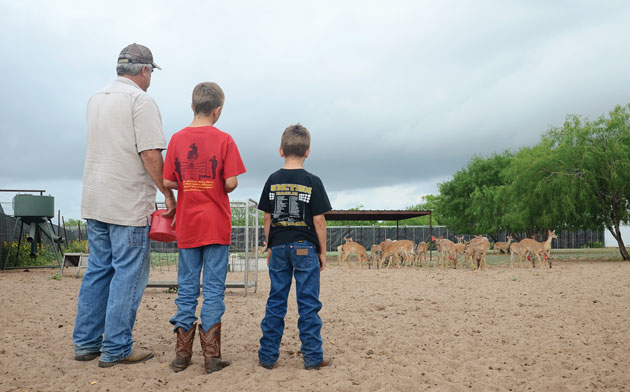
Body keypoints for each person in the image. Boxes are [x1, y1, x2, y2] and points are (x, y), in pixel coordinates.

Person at [73, 43, 176, 367]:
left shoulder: (96, 98)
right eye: (150, 73)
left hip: (94, 198)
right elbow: (150, 153)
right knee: (128, 274)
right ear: (144, 70)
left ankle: (87, 342)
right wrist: (167, 192)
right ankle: (116, 348)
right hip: (127, 202)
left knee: (98, 270)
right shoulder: (140, 100)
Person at [162, 82, 246, 374]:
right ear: (218, 110)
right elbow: (231, 182)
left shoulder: (176, 138)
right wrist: (218, 182)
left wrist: (187, 183)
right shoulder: (225, 139)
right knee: (213, 290)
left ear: (192, 106)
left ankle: (181, 356)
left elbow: (169, 181)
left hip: (188, 225)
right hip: (216, 224)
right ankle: (211, 357)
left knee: (186, 288)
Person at [257, 124, 334, 370]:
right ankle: (312, 357)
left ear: (281, 150)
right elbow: (319, 221)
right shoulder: (313, 181)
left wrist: (270, 246)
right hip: (304, 249)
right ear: (307, 152)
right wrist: (322, 251)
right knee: (308, 303)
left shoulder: (272, 179)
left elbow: (267, 218)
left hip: (279, 248)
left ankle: (267, 356)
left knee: (276, 301)